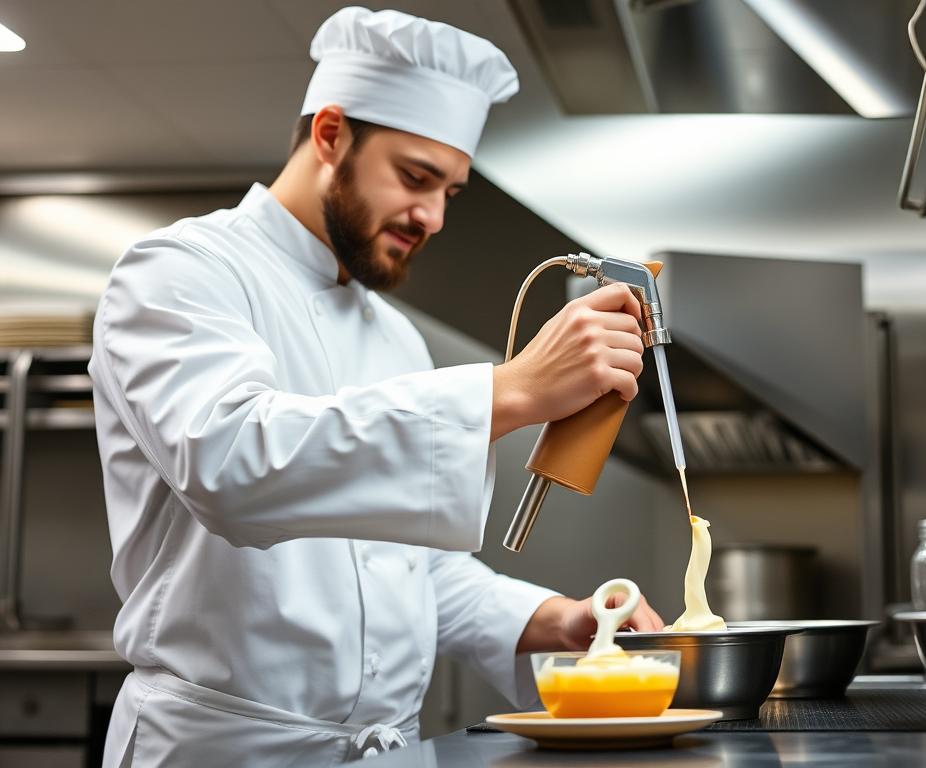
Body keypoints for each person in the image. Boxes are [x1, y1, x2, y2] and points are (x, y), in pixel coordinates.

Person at [89, 7, 662, 767]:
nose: (431, 216)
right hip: (224, 748)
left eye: (451, 192)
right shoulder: (180, 273)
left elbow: (402, 569)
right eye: (416, 177)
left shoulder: (396, 336)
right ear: (330, 134)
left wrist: (551, 617)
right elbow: (230, 463)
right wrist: (510, 392)